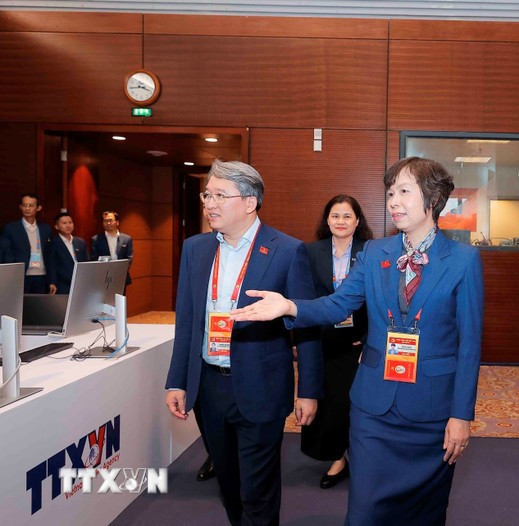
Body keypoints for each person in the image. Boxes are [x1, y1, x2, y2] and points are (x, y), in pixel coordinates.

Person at [231, 157, 484, 525]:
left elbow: (469, 346)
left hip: (431, 411)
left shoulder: (463, 260)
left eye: (404, 192)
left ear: (433, 199)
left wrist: (461, 416)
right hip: (372, 410)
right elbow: (337, 305)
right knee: (364, 512)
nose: (393, 201)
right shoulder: (375, 253)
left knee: (424, 514)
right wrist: (290, 306)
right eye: (390, 193)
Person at [164, 159, 323, 525]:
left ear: (250, 202)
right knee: (229, 484)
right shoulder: (195, 249)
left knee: (258, 490)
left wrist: (309, 390)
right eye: (207, 195)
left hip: (261, 386)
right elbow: (187, 321)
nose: (209, 203)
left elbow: (306, 325)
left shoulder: (287, 250)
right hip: (209, 387)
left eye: (220, 195)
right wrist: (177, 381)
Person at [302, 194, 373, 489]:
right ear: (327, 220)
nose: (341, 221)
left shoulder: (370, 252)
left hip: (358, 342)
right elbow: (303, 296)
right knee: (329, 401)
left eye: (347, 216)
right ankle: (337, 455)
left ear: (357, 221)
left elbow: (379, 302)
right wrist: (300, 338)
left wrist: (369, 339)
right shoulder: (310, 251)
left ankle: (357, 455)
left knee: (353, 403)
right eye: (335, 216)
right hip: (322, 338)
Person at [2, 193, 51, 293]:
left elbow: (50, 255)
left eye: (31, 205)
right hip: (20, 275)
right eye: (24, 205)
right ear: (20, 207)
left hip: (42, 275)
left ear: (38, 208)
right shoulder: (11, 228)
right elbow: (7, 254)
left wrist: (52, 280)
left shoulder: (45, 229)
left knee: (40, 303)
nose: (27, 208)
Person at [90, 211, 133, 287]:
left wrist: (119, 271)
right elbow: (94, 258)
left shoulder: (126, 239)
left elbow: (129, 258)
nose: (108, 223)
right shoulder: (96, 239)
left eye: (110, 220)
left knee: (120, 295)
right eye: (105, 221)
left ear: (117, 222)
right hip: (103, 276)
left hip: (121, 276)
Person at [48, 212, 88, 294]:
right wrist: (52, 282)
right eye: (64, 223)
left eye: (70, 222)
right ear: (56, 226)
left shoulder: (80, 242)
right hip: (62, 284)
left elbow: (86, 261)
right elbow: (51, 264)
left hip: (81, 283)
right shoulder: (53, 243)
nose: (68, 225)